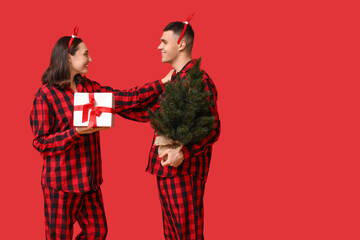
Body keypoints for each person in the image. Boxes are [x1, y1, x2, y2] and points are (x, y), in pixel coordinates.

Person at [30, 27, 173, 240]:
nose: (90, 58)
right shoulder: (46, 95)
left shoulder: (89, 88)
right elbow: (41, 142)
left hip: (89, 181)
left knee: (98, 231)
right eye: (85, 54)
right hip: (61, 184)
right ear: (68, 57)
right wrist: (75, 132)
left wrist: (161, 84)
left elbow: (124, 99)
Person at [126, 18, 221, 239]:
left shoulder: (198, 80)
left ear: (181, 44)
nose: (159, 46)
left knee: (187, 234)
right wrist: (103, 107)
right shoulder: (174, 81)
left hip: (184, 172)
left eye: (163, 41)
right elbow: (147, 113)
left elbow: (213, 128)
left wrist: (183, 153)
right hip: (165, 170)